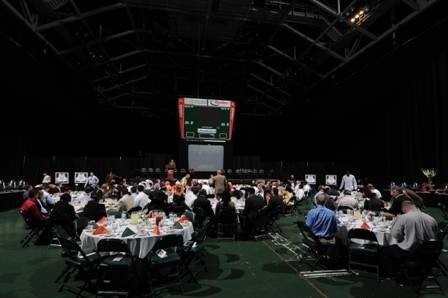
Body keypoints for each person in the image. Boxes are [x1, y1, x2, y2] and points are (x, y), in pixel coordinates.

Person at [381, 200, 438, 277]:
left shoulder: (403, 217)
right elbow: (434, 235)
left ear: (404, 208)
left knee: (385, 250)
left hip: (409, 252)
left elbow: (395, 234)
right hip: (428, 253)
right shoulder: (432, 219)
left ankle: (391, 273)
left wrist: (404, 237)